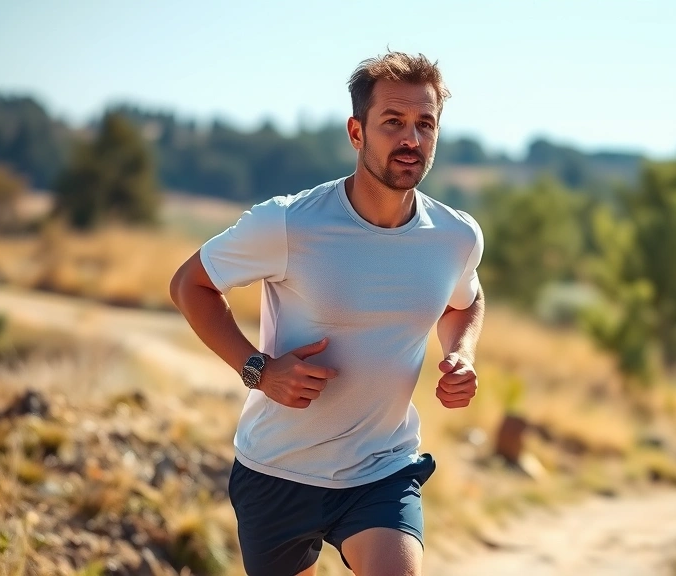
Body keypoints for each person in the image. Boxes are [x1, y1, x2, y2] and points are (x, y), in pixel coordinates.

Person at [168, 51, 484, 576]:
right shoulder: (289, 223)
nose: (411, 139)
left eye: (424, 124)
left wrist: (462, 352)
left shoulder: (454, 236)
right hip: (277, 469)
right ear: (356, 132)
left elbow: (466, 299)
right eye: (393, 123)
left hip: (381, 468)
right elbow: (190, 286)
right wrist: (259, 371)